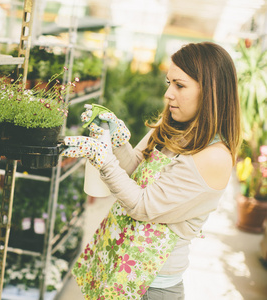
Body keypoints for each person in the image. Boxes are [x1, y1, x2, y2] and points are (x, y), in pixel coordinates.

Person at [61, 41, 241, 300]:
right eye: (169, 83)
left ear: (211, 91)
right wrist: (118, 142)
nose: (168, 94)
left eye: (180, 85)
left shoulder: (213, 157)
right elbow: (137, 171)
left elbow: (144, 206)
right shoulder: (171, 126)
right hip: (118, 257)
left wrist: (103, 160)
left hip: (149, 285)